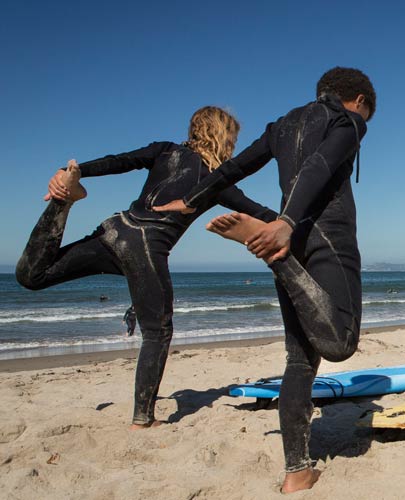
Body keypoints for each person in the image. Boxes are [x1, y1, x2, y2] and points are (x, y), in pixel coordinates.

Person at [153, 67, 374, 494]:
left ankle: (297, 472)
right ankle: (277, 259)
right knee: (341, 342)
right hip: (320, 236)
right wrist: (287, 225)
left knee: (299, 361)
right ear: (359, 100)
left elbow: (232, 168)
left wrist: (191, 200)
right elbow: (321, 163)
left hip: (285, 235)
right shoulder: (349, 120)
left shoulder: (282, 125)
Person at [15, 106, 277, 430]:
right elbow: (263, 213)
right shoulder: (216, 180)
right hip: (144, 247)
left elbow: (120, 160)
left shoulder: (165, 150)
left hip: (114, 231)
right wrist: (294, 223)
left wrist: (77, 171)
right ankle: (142, 420)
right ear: (223, 137)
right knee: (158, 331)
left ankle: (63, 201)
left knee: (32, 276)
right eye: (232, 139)